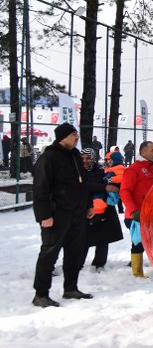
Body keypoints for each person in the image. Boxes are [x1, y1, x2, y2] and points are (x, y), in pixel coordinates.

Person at [31, 123, 94, 307]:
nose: (77, 137)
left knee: (74, 252)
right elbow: (40, 189)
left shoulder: (75, 156)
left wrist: (88, 205)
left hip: (76, 213)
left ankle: (71, 288)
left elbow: (83, 184)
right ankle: (41, 294)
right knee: (49, 253)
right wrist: (44, 215)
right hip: (56, 214)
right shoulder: (48, 158)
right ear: (63, 137)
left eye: (77, 134)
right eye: (73, 134)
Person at [120, 140, 153, 278]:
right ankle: (137, 272)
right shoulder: (133, 169)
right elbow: (124, 191)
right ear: (143, 152)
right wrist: (133, 211)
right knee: (138, 243)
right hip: (136, 216)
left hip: (151, 213)